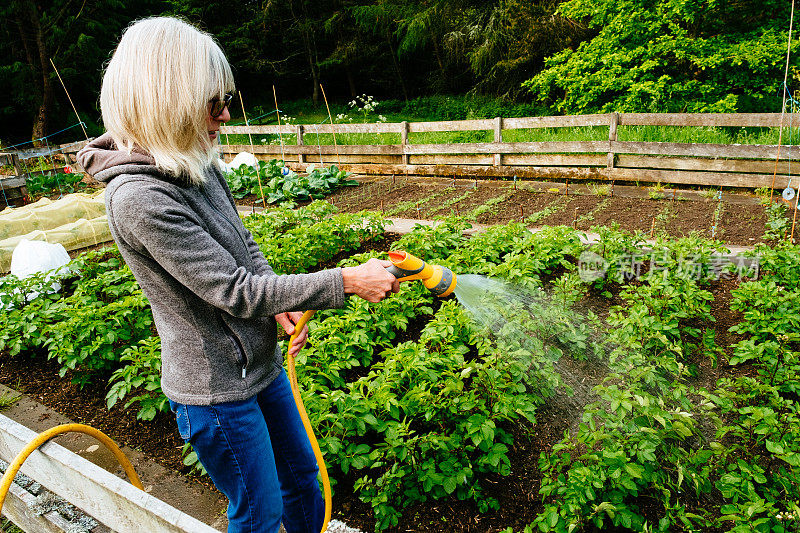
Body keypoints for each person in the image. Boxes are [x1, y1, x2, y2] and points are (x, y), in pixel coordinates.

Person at [77, 16, 399, 533]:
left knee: (305, 486)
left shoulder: (192, 161)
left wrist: (285, 299)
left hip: (261, 365)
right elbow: (234, 290)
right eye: (213, 103)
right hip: (217, 392)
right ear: (167, 101)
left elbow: (244, 247)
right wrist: (345, 281)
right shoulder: (139, 197)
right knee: (260, 514)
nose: (225, 116)